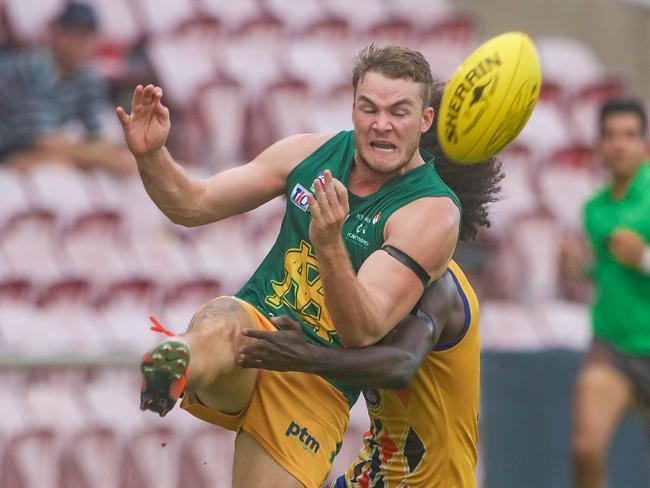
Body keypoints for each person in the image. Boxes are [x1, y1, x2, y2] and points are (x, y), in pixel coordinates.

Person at [120, 45, 467, 488]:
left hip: (316, 386)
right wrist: (151, 156)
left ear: (424, 120)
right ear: (353, 108)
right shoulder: (311, 152)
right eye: (369, 108)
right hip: (254, 335)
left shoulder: (432, 212)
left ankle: (186, 359)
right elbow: (193, 204)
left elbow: (363, 329)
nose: (382, 124)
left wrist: (329, 244)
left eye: (399, 111)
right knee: (225, 322)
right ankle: (178, 359)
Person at [238, 258, 479, 488]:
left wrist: (303, 356)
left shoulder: (438, 283)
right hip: (372, 476)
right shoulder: (376, 274)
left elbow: (402, 365)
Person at [565, 99, 650, 488]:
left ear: (644, 143)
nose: (620, 144)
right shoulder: (593, 208)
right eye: (611, 135)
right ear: (598, 144)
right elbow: (604, 273)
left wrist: (645, 258)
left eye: (630, 135)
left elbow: (636, 262)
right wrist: (577, 269)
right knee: (586, 448)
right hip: (613, 345)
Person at [0, 2, 133, 174]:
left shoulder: (88, 77)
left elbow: (99, 134)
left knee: (124, 163)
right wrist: (102, 157)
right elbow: (41, 140)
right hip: (9, 151)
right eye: (74, 33)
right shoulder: (30, 70)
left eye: (88, 35)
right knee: (56, 164)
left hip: (44, 149)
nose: (81, 42)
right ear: (55, 33)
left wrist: (109, 154)